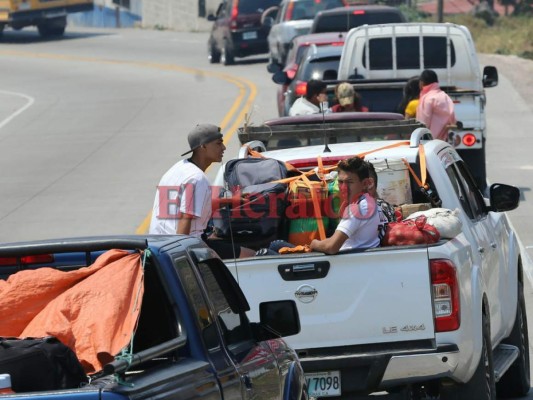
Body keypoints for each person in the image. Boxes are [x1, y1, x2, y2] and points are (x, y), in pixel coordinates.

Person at [149, 123, 255, 259]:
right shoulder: (197, 178)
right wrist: (181, 260)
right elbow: (185, 218)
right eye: (218, 143)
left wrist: (231, 200)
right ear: (203, 146)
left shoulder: (179, 168)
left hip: (159, 244)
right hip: (181, 247)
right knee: (252, 256)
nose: (224, 147)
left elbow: (194, 205)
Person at [416, 69, 456, 141]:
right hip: (446, 142)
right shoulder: (445, 96)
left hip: (432, 142)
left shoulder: (427, 98)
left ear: (422, 83)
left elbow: (423, 123)